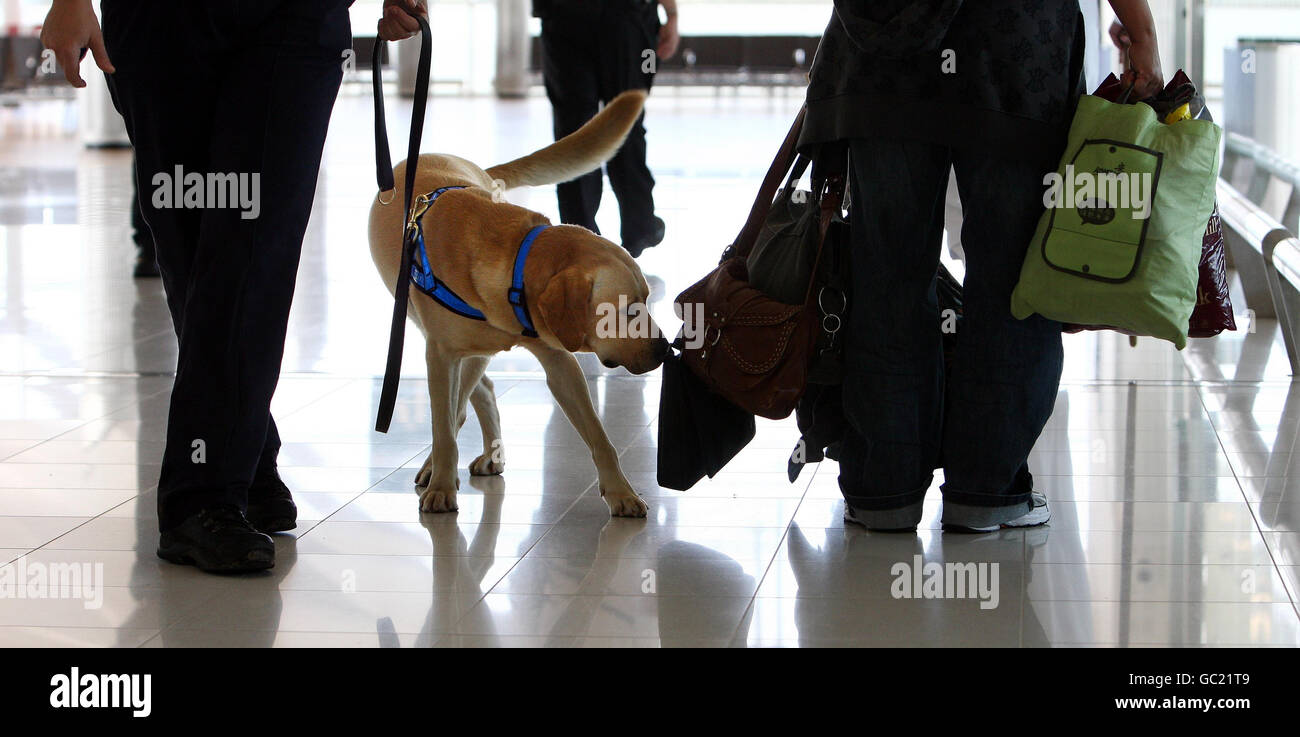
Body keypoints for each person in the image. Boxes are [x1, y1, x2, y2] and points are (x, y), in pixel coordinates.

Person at [39, 0, 426, 572]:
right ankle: (241, 447)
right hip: (160, 24)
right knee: (190, 246)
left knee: (255, 243)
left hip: (295, 19)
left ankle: (203, 494)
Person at [798, 0, 1163, 532]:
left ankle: (885, 492)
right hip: (1014, 52)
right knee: (1013, 282)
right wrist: (1140, 27)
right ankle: (987, 490)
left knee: (887, 279)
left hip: (885, 55)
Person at [534, 0, 679, 257]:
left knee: (575, 130)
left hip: (564, 16)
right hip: (626, 19)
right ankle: (640, 225)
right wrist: (671, 14)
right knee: (626, 119)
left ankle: (580, 238)